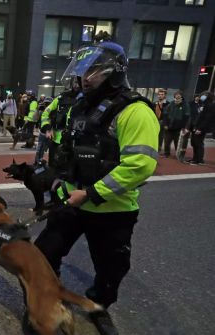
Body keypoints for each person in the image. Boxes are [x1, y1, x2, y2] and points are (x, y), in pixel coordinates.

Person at [34, 41, 159, 334]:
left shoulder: (135, 111)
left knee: (111, 268)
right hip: (71, 202)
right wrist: (56, 181)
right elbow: (64, 151)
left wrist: (90, 193)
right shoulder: (77, 107)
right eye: (82, 72)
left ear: (114, 73)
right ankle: (50, 298)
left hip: (112, 209)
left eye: (94, 72)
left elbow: (140, 165)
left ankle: (99, 306)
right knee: (43, 253)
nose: (85, 78)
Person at [185, 91, 215, 165]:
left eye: (205, 95)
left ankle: (200, 160)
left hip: (201, 128)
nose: (202, 96)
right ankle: (195, 158)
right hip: (197, 126)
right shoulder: (203, 104)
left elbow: (206, 119)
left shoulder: (210, 106)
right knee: (194, 143)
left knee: (198, 143)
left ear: (208, 97)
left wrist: (200, 129)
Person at [161, 91, 191, 158]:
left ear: (181, 96)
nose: (177, 96)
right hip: (169, 127)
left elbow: (187, 117)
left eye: (179, 95)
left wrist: (185, 127)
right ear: (174, 96)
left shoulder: (185, 105)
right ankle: (166, 153)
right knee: (167, 142)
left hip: (179, 128)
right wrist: (165, 124)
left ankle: (179, 155)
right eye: (176, 95)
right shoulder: (171, 104)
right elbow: (165, 114)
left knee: (178, 143)